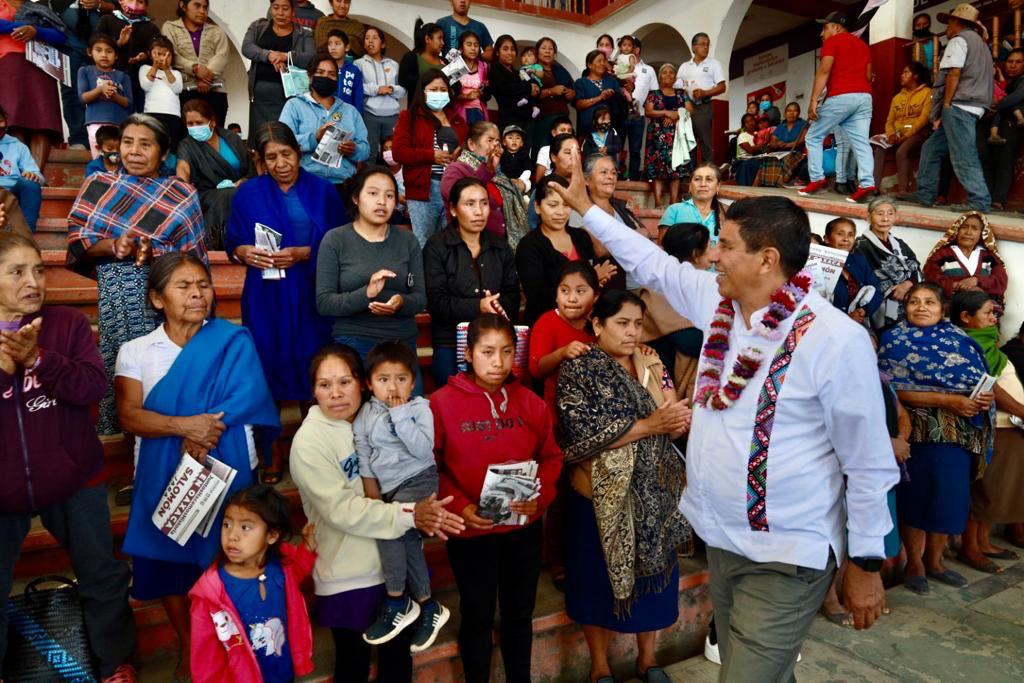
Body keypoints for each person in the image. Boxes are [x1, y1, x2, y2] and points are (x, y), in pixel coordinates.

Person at [548, 149, 898, 679]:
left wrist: (867, 562)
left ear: (767, 259)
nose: (713, 256)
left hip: (789, 551)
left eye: (726, 246)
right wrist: (588, 211)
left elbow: (868, 461)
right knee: (750, 668)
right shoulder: (720, 305)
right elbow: (653, 264)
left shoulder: (837, 340)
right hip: (724, 539)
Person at [117, 252, 280, 679]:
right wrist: (184, 426)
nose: (196, 294)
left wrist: (201, 429)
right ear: (156, 298)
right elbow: (129, 416)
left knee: (229, 558)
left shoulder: (232, 340)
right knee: (168, 564)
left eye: (203, 285)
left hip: (228, 469)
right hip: (162, 475)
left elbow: (249, 397)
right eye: (183, 286)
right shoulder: (136, 352)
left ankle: (230, 641)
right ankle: (190, 644)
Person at [0, 233, 137, 683]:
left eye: (38, 270)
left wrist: (38, 359)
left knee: (102, 574)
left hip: (75, 476)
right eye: (16, 272)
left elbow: (93, 389)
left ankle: (115, 663)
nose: (32, 282)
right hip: (3, 488)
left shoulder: (66, 324)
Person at [289, 344, 464, 682]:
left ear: (362, 383)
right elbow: (343, 511)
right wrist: (410, 515)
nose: (336, 394)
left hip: (391, 567)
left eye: (345, 382)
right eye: (325, 385)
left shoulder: (381, 416)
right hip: (348, 574)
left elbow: (417, 463)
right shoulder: (309, 442)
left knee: (397, 664)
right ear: (313, 391)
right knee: (353, 665)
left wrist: (421, 507)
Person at [556, 289, 692, 683]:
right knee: (594, 584)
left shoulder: (650, 361)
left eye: (637, 324)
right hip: (597, 495)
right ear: (597, 325)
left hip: (654, 493)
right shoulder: (579, 369)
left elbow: (671, 409)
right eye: (621, 323)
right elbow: (582, 434)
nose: (632, 332)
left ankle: (647, 661)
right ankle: (600, 667)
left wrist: (673, 419)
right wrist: (651, 425)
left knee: (654, 584)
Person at [432, 314, 562, 683]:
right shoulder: (441, 404)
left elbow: (551, 457)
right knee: (477, 614)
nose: (498, 362)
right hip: (472, 534)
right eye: (487, 352)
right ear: (469, 354)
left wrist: (540, 496)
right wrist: (460, 505)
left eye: (507, 352)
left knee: (519, 613)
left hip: (523, 530)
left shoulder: (531, 403)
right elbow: (432, 467)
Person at [66, 114, 206, 435]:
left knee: (166, 378)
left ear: (164, 152)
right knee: (124, 371)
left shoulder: (181, 195)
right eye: (128, 142)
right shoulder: (98, 184)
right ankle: (129, 459)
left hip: (167, 301)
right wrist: (117, 246)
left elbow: (192, 260)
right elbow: (79, 241)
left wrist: (154, 253)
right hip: (118, 300)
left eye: (145, 144)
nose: (134, 151)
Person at [227, 122, 343, 481]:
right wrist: (243, 250)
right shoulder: (248, 194)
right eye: (271, 157)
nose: (281, 164)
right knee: (266, 368)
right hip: (266, 296)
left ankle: (318, 451)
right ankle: (271, 452)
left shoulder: (324, 191)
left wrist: (304, 253)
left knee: (315, 368)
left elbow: (340, 241)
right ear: (260, 161)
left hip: (312, 291)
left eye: (287, 154)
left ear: (299, 152)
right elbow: (233, 241)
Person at [878, 282, 995, 595]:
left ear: (943, 309)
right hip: (915, 431)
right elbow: (890, 388)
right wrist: (948, 401)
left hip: (958, 433)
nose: (921, 307)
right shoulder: (894, 339)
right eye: (914, 301)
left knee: (949, 496)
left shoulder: (961, 341)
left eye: (930, 301)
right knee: (917, 496)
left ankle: (936, 561)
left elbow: (979, 381)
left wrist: (983, 399)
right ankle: (914, 563)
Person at [354, 341, 449, 650]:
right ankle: (428, 604)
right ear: (369, 384)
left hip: (420, 479)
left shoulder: (419, 408)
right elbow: (364, 454)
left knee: (389, 530)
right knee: (406, 538)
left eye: (401, 379)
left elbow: (423, 449)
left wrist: (399, 415)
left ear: (413, 381)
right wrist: (373, 496)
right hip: (388, 488)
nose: (392, 387)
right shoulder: (365, 413)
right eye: (383, 380)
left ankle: (396, 600)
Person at [189, 485, 317, 682]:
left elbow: (299, 568)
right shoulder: (210, 594)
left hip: (283, 673)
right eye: (227, 524)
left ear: (272, 536)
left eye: (245, 527)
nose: (232, 536)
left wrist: (308, 546)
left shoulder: (282, 567)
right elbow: (204, 658)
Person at [315, 166, 425, 386]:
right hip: (354, 341)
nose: (382, 202)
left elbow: (421, 297)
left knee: (408, 416)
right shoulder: (335, 240)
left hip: (400, 343)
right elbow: (324, 303)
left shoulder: (407, 240)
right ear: (356, 198)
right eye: (373, 193)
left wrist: (401, 302)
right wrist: (366, 293)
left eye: (390, 195)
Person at [951, 292, 1024, 575]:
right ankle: (970, 547)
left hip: (1011, 425)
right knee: (984, 491)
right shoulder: (968, 344)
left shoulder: (989, 344)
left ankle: (984, 542)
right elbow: (988, 388)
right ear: (965, 317)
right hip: (995, 425)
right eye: (987, 313)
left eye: (994, 313)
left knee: (997, 490)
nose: (994, 319)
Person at [424, 177, 519, 388]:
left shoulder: (499, 246)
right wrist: (478, 306)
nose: (479, 211)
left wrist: (496, 306)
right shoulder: (437, 247)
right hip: (450, 340)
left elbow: (512, 294)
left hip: (493, 341)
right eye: (470, 204)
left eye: (484, 203)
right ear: (454, 209)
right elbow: (436, 302)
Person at [907, 4, 992, 213]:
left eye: (950, 22)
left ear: (958, 23)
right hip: (973, 104)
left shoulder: (959, 40)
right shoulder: (981, 44)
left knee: (964, 154)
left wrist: (946, 103)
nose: (947, 26)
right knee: (931, 148)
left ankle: (979, 200)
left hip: (960, 104)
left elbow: (954, 74)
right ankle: (925, 194)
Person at [517, 174, 614, 325]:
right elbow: (537, 296)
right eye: (553, 205)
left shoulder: (581, 237)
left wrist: (597, 284)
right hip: (547, 325)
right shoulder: (529, 245)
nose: (561, 212)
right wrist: (590, 279)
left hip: (583, 324)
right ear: (537, 207)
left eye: (566, 205)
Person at [801, 11, 876, 203]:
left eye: (824, 28)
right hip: (864, 97)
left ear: (836, 27)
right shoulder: (863, 45)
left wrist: (813, 100)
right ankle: (867, 183)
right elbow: (868, 76)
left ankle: (817, 179)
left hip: (842, 96)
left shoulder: (832, 42)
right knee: (861, 142)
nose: (821, 34)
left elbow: (824, 70)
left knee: (813, 135)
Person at [394, 68, 468, 247]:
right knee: (423, 243)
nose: (439, 93)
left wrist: (461, 154)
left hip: (452, 187)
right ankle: (420, 276)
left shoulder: (458, 120)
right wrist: (431, 155)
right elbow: (398, 152)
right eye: (433, 89)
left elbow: (467, 149)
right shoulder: (409, 117)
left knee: (450, 243)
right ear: (423, 92)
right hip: (423, 190)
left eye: (443, 90)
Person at [279, 52, 370, 191]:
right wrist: (314, 138)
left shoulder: (350, 111)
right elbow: (282, 143)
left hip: (343, 185)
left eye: (331, 74)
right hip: (305, 183)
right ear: (310, 77)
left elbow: (365, 149)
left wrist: (354, 150)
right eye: (320, 72)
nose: (326, 77)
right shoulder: (294, 106)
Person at [0, 0, 69, 171]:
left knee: (43, 122)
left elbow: (61, 35)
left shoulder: (39, 8)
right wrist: (21, 27)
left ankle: (36, 175)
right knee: (14, 121)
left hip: (41, 65)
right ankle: (21, 174)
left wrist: (36, 30)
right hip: (8, 66)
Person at [176, 98, 253, 250]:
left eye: (199, 123)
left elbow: (250, 168)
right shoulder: (187, 145)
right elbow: (183, 168)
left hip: (241, 188)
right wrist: (181, 189)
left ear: (212, 121)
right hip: (207, 194)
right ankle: (223, 244)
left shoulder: (231, 138)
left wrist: (244, 180)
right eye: (190, 124)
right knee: (228, 195)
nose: (194, 128)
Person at [528, 260, 599, 415]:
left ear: (595, 296)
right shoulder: (547, 322)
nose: (571, 299)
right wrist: (562, 353)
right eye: (565, 291)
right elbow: (536, 369)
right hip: (559, 410)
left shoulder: (600, 323)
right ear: (556, 295)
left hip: (599, 406)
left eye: (580, 291)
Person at [441, 120, 528, 244]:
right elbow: (461, 198)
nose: (495, 146)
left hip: (499, 246)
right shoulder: (455, 170)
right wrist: (487, 170)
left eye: (497, 141)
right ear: (471, 144)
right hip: (468, 244)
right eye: (490, 140)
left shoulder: (497, 173)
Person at [242, 0, 315, 146]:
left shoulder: (304, 33)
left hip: (290, 98)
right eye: (276, 8)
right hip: (261, 96)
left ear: (293, 11)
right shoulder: (258, 26)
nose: (280, 13)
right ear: (270, 9)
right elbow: (247, 47)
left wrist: (286, 57)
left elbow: (311, 57)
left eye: (285, 8)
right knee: (260, 140)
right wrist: (269, 55)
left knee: (285, 138)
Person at [853, 197, 921, 330]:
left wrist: (908, 284)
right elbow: (864, 281)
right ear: (868, 216)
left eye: (890, 214)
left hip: (910, 296)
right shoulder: (860, 246)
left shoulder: (899, 243)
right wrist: (895, 290)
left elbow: (916, 267)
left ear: (895, 217)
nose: (885, 219)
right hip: (884, 303)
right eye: (879, 214)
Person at [162, 0, 232, 129]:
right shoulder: (170, 28)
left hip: (215, 90)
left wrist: (206, 76)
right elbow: (171, 54)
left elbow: (222, 55)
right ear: (183, 6)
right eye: (197, 6)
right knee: (185, 135)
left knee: (215, 133)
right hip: (184, 91)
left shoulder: (217, 31)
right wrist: (194, 69)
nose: (202, 11)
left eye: (205, 7)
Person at [872, 61, 931, 194]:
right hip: (897, 134)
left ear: (915, 76)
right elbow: (890, 121)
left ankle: (903, 191)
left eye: (906, 72)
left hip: (917, 133)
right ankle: (874, 187)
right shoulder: (897, 98)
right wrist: (891, 134)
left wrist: (906, 136)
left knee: (901, 152)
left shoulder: (927, 93)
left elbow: (923, 119)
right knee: (880, 147)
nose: (902, 75)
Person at [923, 211, 1007, 303]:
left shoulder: (989, 256)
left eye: (975, 228)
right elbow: (930, 277)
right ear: (957, 230)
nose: (968, 232)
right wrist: (955, 285)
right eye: (964, 227)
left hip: (982, 308)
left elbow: (1001, 281)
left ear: (982, 233)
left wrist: (977, 280)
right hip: (951, 306)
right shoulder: (942, 254)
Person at [96, 0, 161, 114]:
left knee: (141, 116)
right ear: (120, 1)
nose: (134, 4)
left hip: (140, 81)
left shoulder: (151, 27)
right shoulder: (107, 20)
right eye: (130, 0)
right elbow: (97, 46)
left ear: (146, 6)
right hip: (112, 78)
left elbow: (158, 50)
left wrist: (146, 55)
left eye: (140, 2)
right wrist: (118, 43)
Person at [672, 32, 725, 165]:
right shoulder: (684, 66)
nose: (706, 47)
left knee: (705, 141)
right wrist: (684, 97)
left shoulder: (714, 64)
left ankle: (707, 172)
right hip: (686, 108)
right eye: (702, 44)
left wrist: (704, 93)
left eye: (707, 45)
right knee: (687, 141)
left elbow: (722, 87)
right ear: (693, 47)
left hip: (703, 106)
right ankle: (689, 175)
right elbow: (678, 86)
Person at [644, 63, 692, 206]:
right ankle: (658, 203)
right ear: (659, 77)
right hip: (657, 135)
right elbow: (648, 111)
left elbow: (689, 110)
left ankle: (673, 202)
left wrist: (675, 115)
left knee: (676, 168)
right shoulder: (653, 94)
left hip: (676, 135)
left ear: (675, 77)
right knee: (656, 168)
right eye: (664, 72)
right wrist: (665, 112)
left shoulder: (682, 94)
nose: (668, 75)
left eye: (671, 72)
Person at [982, 48, 1024, 210]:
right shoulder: (1003, 82)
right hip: (1001, 122)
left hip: (1012, 123)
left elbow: (1019, 96)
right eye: (1010, 61)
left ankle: (999, 199)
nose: (1013, 65)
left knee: (1004, 158)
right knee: (991, 157)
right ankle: (991, 197)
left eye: (1018, 62)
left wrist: (996, 106)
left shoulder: (1021, 81)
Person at [79, 33, 134, 157]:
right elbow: (83, 98)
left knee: (119, 159)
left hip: (119, 124)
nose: (104, 55)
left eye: (109, 51)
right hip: (95, 122)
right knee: (98, 158)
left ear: (116, 56)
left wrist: (114, 95)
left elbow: (129, 103)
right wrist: (100, 90)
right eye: (98, 50)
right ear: (89, 52)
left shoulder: (123, 76)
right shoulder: (85, 71)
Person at [356, 25, 405, 162]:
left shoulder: (393, 64)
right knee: (370, 153)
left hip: (392, 115)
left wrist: (392, 89)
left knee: (391, 154)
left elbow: (402, 90)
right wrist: (377, 89)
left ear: (383, 44)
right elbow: (358, 87)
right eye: (367, 38)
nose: (370, 41)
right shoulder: (358, 63)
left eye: (374, 38)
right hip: (370, 114)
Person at [823, 217, 883, 326]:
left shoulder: (859, 260)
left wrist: (862, 311)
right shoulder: (816, 262)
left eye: (850, 235)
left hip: (857, 322)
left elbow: (877, 289)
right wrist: (844, 318)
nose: (846, 239)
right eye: (840, 234)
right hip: (826, 323)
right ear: (826, 239)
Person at [489, 35, 538, 148]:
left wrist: (534, 87)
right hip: (509, 119)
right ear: (497, 52)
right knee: (510, 155)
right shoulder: (495, 69)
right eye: (505, 49)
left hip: (526, 119)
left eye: (512, 49)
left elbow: (530, 85)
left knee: (524, 155)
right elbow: (505, 88)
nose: (510, 52)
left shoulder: (517, 72)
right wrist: (528, 87)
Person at [0, 108, 43, 233]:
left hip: (12, 194)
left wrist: (32, 175)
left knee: (30, 184)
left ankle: (26, 235)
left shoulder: (17, 145)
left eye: (3, 126)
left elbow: (37, 175)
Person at [533, 36, 576, 159]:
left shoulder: (561, 70)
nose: (547, 51)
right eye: (544, 48)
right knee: (542, 151)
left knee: (563, 151)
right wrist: (551, 91)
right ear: (537, 52)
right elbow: (529, 93)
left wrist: (570, 93)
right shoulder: (531, 69)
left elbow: (571, 91)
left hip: (562, 117)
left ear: (555, 54)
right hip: (542, 118)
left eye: (551, 49)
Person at [659, 162, 723, 243]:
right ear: (690, 186)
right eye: (697, 179)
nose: (703, 184)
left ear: (717, 187)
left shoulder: (725, 214)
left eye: (709, 179)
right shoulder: (674, 210)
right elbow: (662, 245)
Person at [139, 35, 184, 149]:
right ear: (150, 54)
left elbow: (177, 89)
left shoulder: (176, 73)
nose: (162, 58)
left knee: (171, 146)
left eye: (166, 55)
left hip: (173, 115)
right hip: (152, 113)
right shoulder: (145, 68)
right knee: (153, 145)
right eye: (158, 54)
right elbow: (146, 86)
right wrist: (155, 66)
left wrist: (166, 70)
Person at [754, 102, 809, 188]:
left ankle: (779, 186)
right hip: (780, 152)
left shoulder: (803, 124)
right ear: (785, 113)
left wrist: (786, 145)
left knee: (784, 161)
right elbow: (772, 142)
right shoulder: (780, 127)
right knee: (767, 159)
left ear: (799, 113)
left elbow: (801, 141)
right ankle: (761, 187)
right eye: (789, 111)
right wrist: (776, 144)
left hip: (795, 152)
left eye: (795, 111)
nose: (791, 113)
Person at [573, 49, 624, 140]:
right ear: (589, 65)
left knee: (608, 153)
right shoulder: (581, 82)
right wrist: (600, 97)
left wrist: (614, 95)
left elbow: (620, 102)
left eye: (604, 61)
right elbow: (578, 104)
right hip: (588, 130)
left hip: (609, 129)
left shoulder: (611, 81)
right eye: (599, 61)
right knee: (589, 154)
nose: (602, 63)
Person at [625, 37, 656, 181]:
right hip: (620, 113)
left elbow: (654, 94)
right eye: (623, 46)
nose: (624, 49)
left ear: (636, 50)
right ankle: (616, 178)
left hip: (639, 114)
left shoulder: (648, 70)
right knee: (616, 146)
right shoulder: (619, 67)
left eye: (628, 46)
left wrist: (649, 110)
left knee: (635, 149)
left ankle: (632, 179)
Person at [397, 19, 445, 99]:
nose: (443, 43)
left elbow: (455, 86)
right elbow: (404, 80)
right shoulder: (411, 57)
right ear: (427, 39)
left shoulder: (445, 61)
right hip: (418, 108)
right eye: (439, 38)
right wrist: (431, 80)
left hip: (443, 109)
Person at [454, 31, 488, 125]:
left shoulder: (484, 66)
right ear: (461, 48)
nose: (473, 48)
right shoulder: (456, 66)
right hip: (459, 111)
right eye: (469, 45)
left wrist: (484, 90)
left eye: (476, 45)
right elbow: (450, 93)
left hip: (478, 111)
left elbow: (487, 92)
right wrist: (466, 96)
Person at [325, 29, 364, 111]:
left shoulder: (354, 70)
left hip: (347, 115)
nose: (333, 48)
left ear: (347, 47)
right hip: (326, 114)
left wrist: (357, 117)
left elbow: (358, 97)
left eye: (337, 44)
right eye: (330, 44)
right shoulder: (324, 68)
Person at [532, 115, 574, 185]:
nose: (566, 133)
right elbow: (538, 180)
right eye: (562, 130)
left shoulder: (575, 149)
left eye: (569, 131)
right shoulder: (545, 150)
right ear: (554, 133)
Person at [731, 113, 763, 186]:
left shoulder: (759, 134)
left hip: (758, 159)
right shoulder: (743, 136)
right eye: (747, 122)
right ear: (744, 125)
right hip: (744, 161)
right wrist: (762, 144)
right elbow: (750, 150)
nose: (750, 123)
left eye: (752, 121)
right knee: (748, 164)